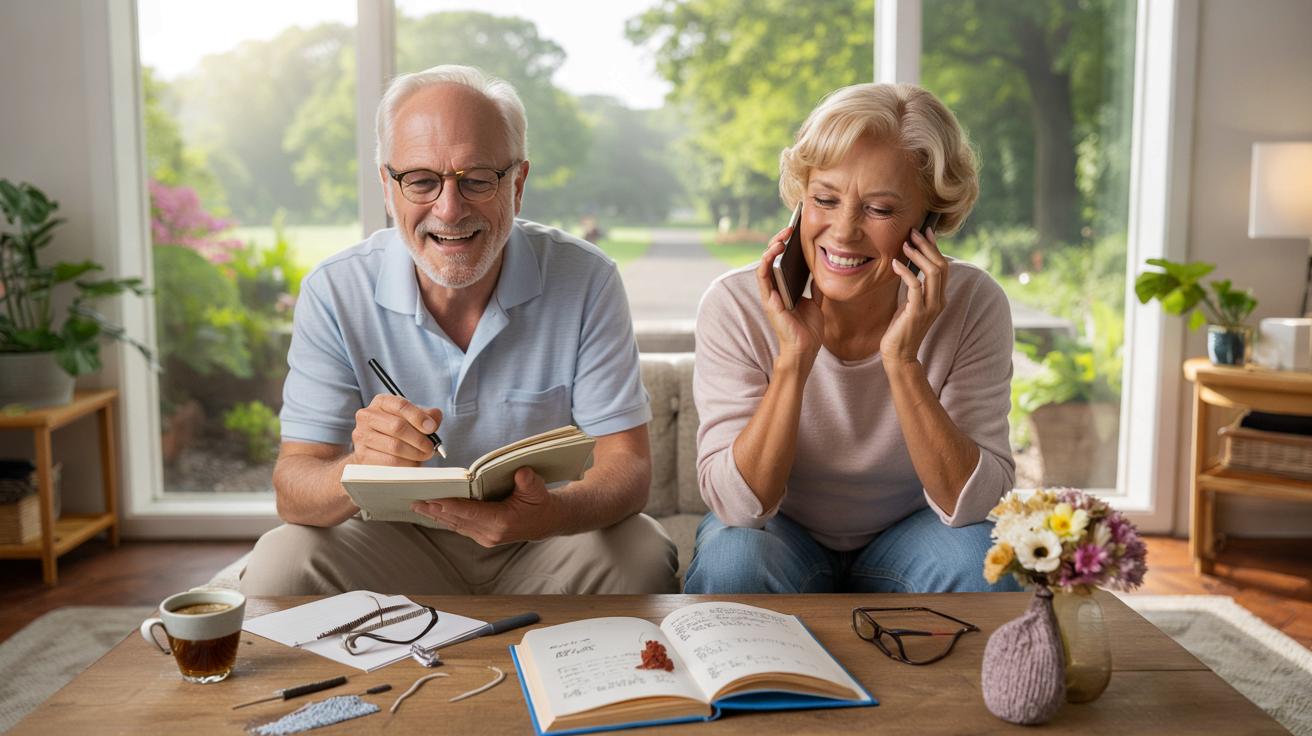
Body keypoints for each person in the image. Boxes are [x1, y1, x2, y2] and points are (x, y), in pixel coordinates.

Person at [239, 65, 678, 596]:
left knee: (642, 554)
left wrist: (548, 514)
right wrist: (358, 466)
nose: (449, 209)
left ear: (517, 184)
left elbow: (627, 467)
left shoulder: (587, 278)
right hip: (390, 542)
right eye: (421, 180)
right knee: (280, 564)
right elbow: (294, 490)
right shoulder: (334, 290)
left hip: (542, 538)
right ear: (387, 186)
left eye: (477, 179)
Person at [685, 83, 1021, 594]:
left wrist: (903, 359)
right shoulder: (735, 305)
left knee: (988, 570)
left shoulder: (973, 303)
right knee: (733, 566)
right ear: (800, 203)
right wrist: (794, 359)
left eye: (880, 210)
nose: (843, 232)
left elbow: (971, 505)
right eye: (825, 199)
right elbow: (738, 507)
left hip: (916, 533)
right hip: (781, 531)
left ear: (929, 222)